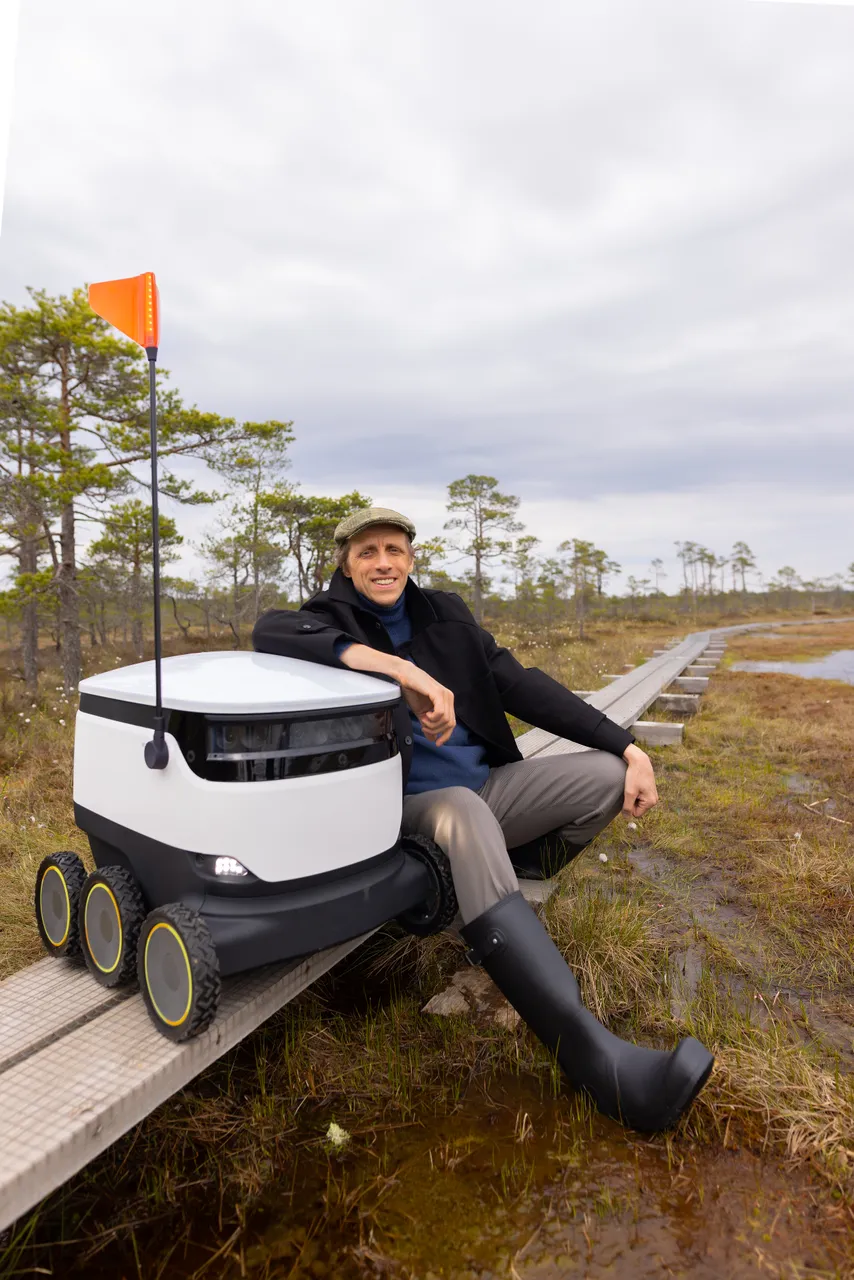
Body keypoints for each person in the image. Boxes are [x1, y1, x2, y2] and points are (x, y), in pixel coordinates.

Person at [253, 507, 713, 1131]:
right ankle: (596, 1059)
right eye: (366, 552)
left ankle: (496, 892)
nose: (382, 563)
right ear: (346, 563)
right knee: (463, 810)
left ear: (411, 557)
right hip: (399, 814)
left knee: (602, 778)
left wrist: (628, 747)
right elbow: (270, 633)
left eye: (393, 549)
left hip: (485, 790)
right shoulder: (326, 619)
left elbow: (524, 686)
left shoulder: (447, 615)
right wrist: (402, 671)